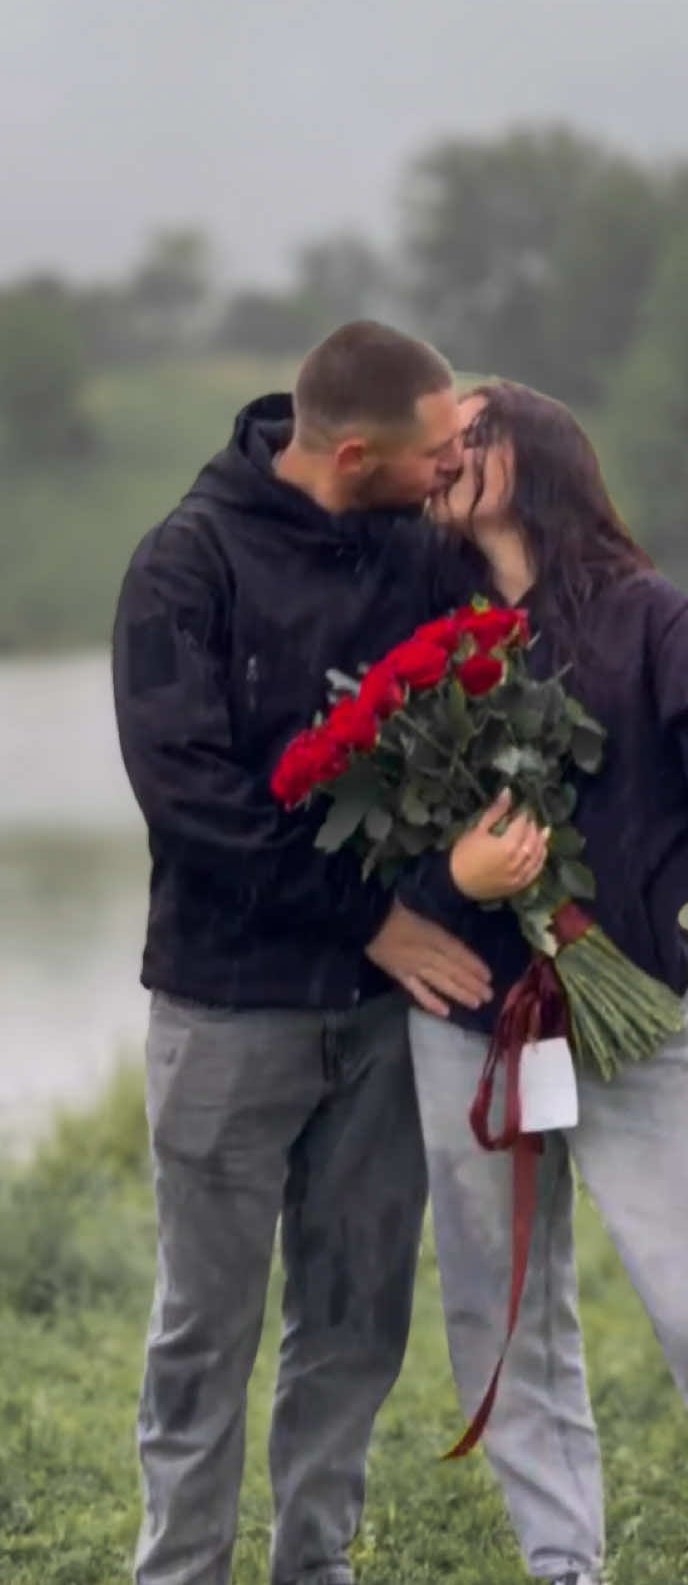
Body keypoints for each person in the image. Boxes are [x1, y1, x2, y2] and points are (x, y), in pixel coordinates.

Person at [406, 382, 688, 1585]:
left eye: (477, 432)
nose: (449, 454)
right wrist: (448, 875)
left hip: (627, 1025)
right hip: (467, 1022)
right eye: (438, 440)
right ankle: (561, 1570)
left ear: (541, 457)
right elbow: (384, 823)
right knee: (503, 1335)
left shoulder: (652, 619)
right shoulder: (418, 624)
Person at [111, 323, 546, 1585]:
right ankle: (180, 1571)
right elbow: (188, 799)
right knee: (206, 1330)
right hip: (225, 1010)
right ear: (355, 454)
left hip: (377, 1017)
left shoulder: (422, 556)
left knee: (355, 1321)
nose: (446, 472)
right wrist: (368, 915)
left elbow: (515, 688)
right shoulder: (182, 568)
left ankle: (316, 1569)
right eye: (431, 455)